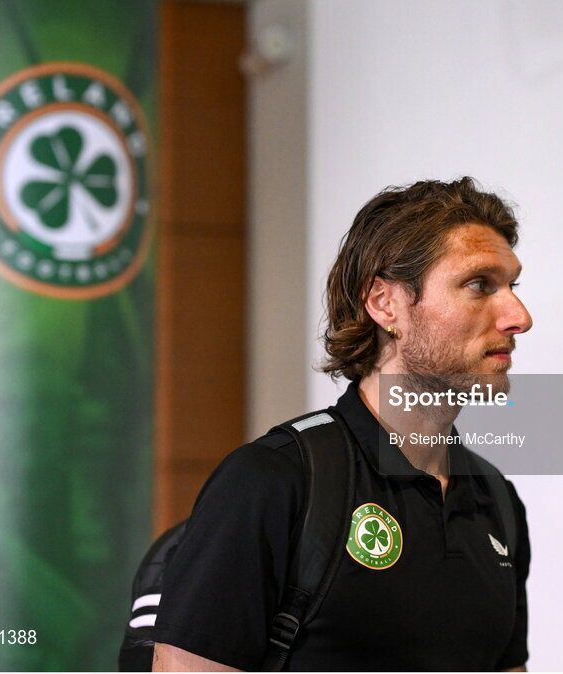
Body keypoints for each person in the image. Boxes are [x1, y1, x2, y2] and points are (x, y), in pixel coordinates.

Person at [152, 177, 533, 671]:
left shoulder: (497, 501)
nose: (519, 316)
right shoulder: (273, 480)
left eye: (512, 286)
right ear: (385, 304)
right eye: (479, 285)